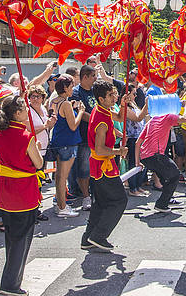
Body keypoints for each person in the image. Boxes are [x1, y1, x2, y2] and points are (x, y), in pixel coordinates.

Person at [0, 96, 44, 296]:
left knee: (12, 235)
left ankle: (12, 277)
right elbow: (38, 163)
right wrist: (36, 148)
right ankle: (11, 283)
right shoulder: (25, 136)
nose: (27, 111)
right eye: (24, 108)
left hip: (5, 187)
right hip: (23, 189)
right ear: (16, 113)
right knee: (22, 238)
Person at [81, 81, 129, 252]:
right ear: (101, 99)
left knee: (100, 203)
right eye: (111, 95)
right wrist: (118, 151)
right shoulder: (101, 119)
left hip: (101, 166)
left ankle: (88, 238)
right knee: (119, 200)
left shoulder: (103, 110)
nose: (114, 97)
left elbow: (119, 118)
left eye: (114, 94)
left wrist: (122, 104)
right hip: (103, 167)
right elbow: (100, 149)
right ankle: (99, 236)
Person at [137, 104, 186, 213]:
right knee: (175, 175)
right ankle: (162, 204)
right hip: (156, 155)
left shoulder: (152, 120)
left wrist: (137, 162)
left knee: (165, 178)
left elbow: (138, 143)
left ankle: (167, 199)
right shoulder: (167, 116)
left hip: (145, 157)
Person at [48, 74, 82, 218]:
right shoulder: (65, 104)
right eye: (71, 86)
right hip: (68, 142)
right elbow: (73, 125)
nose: (73, 89)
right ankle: (62, 206)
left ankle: (60, 203)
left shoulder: (53, 101)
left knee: (59, 176)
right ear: (66, 88)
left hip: (58, 140)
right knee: (62, 177)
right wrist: (80, 112)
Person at [69, 65, 98, 209]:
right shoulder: (76, 93)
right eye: (93, 76)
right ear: (85, 77)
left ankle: (94, 193)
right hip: (83, 136)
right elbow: (81, 112)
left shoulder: (95, 91)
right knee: (84, 168)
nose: (95, 79)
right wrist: (97, 119)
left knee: (94, 167)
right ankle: (86, 196)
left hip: (97, 136)